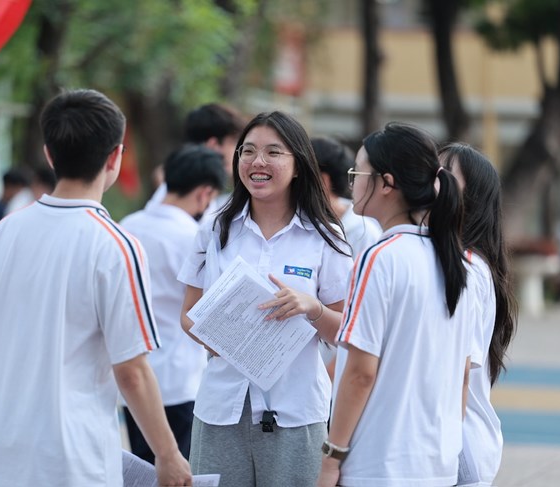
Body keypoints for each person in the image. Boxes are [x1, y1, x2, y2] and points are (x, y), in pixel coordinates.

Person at [0, 89, 191, 487]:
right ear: (115, 157)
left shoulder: (4, 231)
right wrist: (169, 455)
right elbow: (132, 371)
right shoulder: (116, 245)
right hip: (70, 459)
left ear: (50, 155)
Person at [178, 111, 353, 486]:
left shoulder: (327, 237)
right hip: (220, 409)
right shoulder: (213, 228)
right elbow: (189, 316)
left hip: (296, 411)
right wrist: (225, 339)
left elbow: (345, 331)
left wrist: (312, 307)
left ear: (298, 165)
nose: (258, 162)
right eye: (249, 151)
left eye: (274, 152)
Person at [318, 122, 473, 487]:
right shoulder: (457, 261)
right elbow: (464, 372)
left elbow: (360, 372)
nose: (352, 182)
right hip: (437, 463)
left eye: (358, 173)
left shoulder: (379, 258)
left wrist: (331, 457)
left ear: (386, 183)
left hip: (379, 463)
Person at [120, 144, 227, 464]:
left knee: (144, 467)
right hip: (179, 379)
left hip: (130, 374)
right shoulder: (192, 237)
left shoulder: (128, 225)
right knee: (179, 469)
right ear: (205, 193)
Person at [440, 143, 518, 486]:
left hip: (458, 443)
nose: (433, 181)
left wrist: (444, 446)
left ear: (470, 200)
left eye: (445, 175)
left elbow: (458, 371)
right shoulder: (461, 262)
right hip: (457, 439)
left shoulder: (467, 270)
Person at [311, 136, 381, 379]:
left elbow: (364, 316)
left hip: (333, 379)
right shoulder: (305, 225)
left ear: (322, 181)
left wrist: (329, 377)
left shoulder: (362, 231)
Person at [148, 103, 246, 210]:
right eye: (234, 143)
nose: (239, 152)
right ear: (213, 145)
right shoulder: (188, 201)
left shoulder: (171, 187)